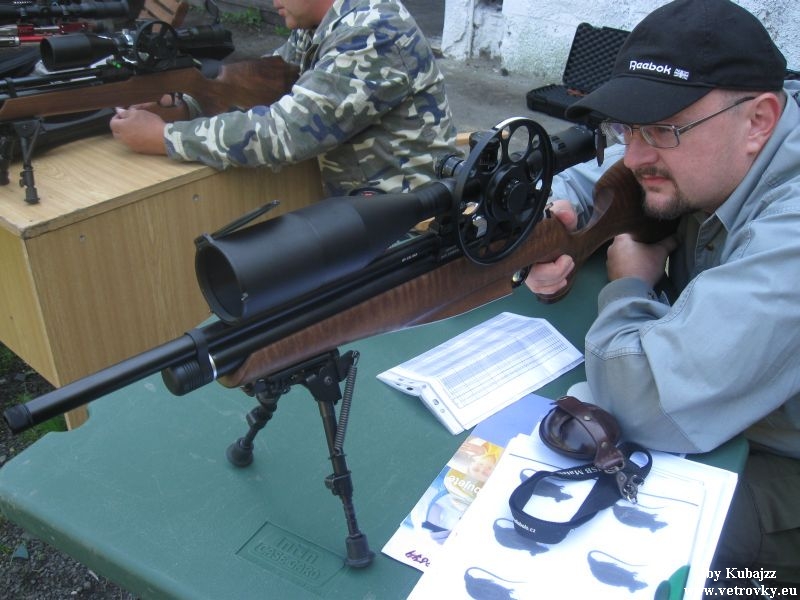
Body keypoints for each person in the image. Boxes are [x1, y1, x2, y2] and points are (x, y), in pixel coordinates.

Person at [526, 0, 800, 584]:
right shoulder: (721, 144)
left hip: (782, 463)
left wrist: (628, 282)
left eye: (661, 129)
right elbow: (590, 181)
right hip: (738, 412)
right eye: (626, 128)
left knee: (645, 552)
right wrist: (555, 222)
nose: (635, 155)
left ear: (759, 121)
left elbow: (644, 402)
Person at [109, 0, 458, 196]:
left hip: (412, 224)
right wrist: (187, 107)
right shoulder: (321, 27)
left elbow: (285, 132)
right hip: (363, 209)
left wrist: (166, 137)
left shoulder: (372, 32)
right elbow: (263, 89)